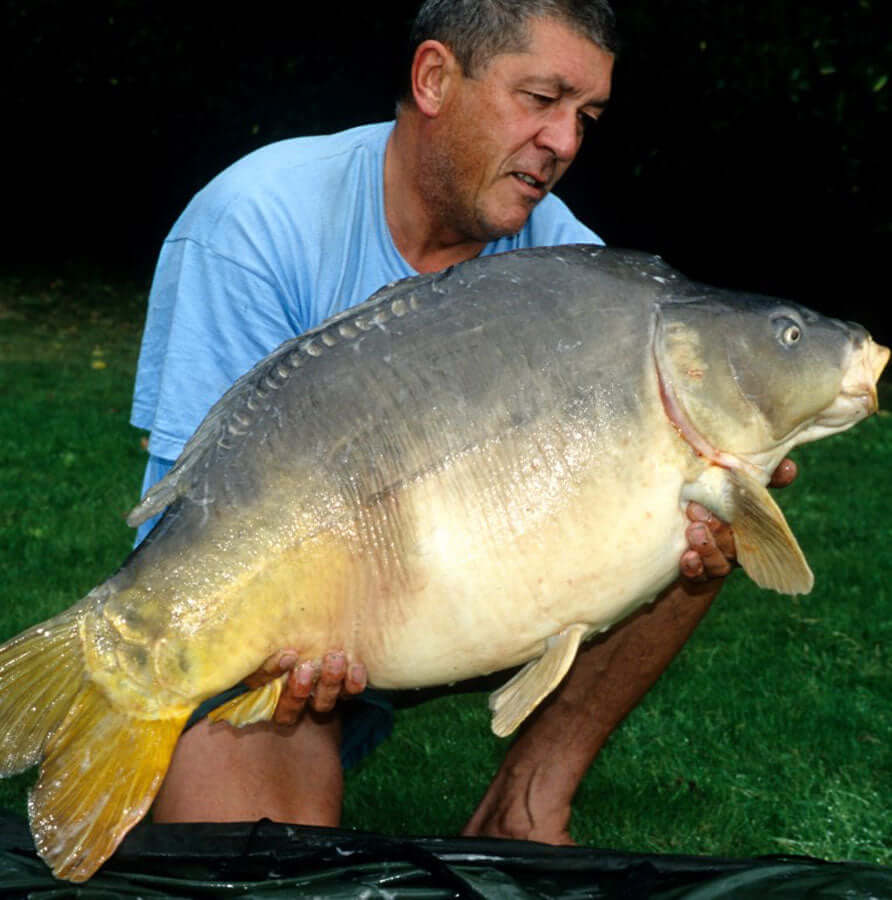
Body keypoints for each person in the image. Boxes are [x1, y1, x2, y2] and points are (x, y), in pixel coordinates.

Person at [131, 0, 796, 841]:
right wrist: (271, 643)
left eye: (585, 116)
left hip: (484, 585)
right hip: (290, 613)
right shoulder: (256, 224)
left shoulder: (578, 278)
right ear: (436, 78)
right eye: (541, 99)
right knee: (255, 858)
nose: (564, 143)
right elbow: (195, 529)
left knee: (712, 491)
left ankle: (526, 800)